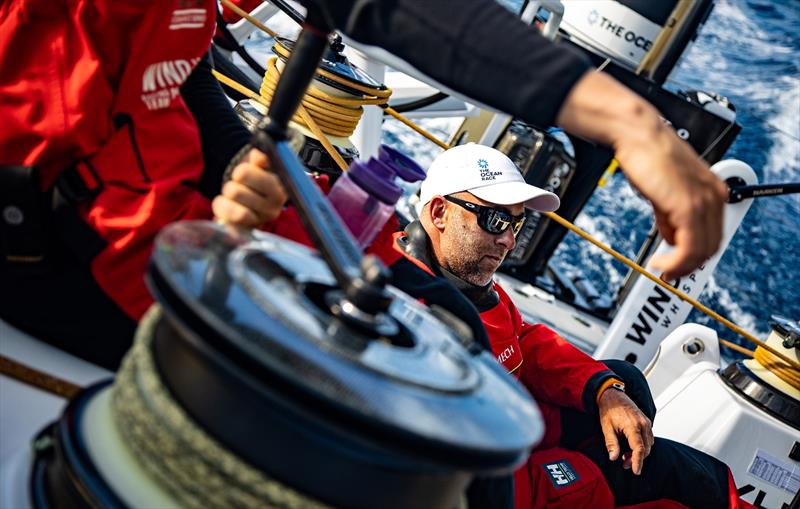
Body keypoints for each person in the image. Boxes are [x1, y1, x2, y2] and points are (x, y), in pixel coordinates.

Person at [1, 0, 724, 371]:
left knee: (444, 315)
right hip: (61, 250)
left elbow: (167, 75)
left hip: (157, 216)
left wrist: (237, 168)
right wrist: (629, 122)